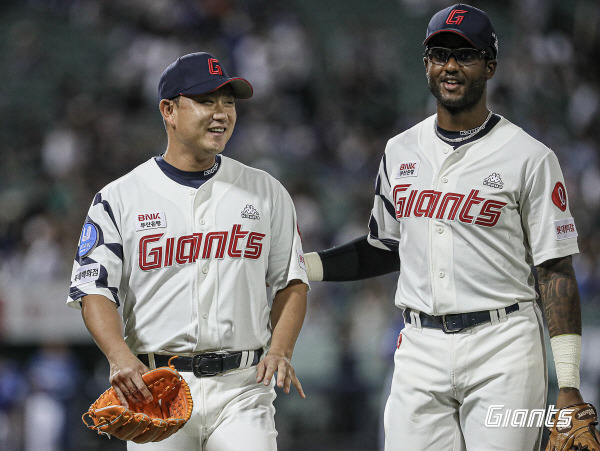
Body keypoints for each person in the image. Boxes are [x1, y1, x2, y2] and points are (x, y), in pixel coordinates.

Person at [304, 4, 595, 450]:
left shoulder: (530, 157)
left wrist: (570, 383)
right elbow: (385, 248)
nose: (451, 66)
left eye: (466, 55)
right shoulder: (400, 151)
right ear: (426, 65)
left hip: (503, 347)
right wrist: (304, 267)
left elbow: (554, 270)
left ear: (490, 65)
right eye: (440, 54)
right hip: (419, 347)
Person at [67, 52, 309, 451]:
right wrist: (118, 355)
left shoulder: (266, 191)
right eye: (206, 101)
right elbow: (94, 290)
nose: (221, 113)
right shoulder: (119, 197)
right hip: (158, 389)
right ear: (169, 110)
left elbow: (292, 282)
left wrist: (281, 348)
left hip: (242, 389)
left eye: (228, 102)